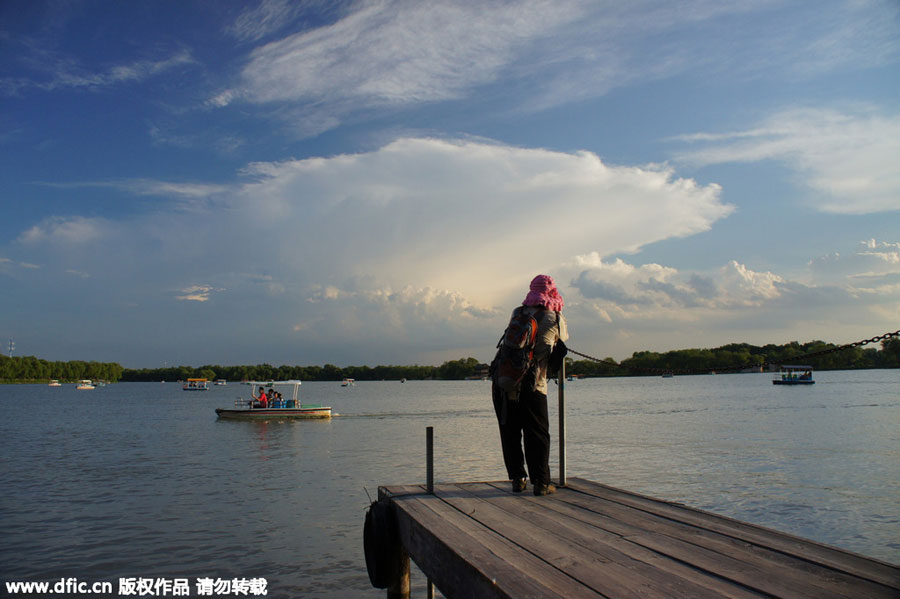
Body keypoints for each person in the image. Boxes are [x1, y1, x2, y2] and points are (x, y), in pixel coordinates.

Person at [492, 274, 568, 496]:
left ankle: (518, 479)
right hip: (533, 384)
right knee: (537, 433)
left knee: (510, 432)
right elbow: (547, 346)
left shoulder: (518, 312)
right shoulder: (553, 316)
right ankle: (542, 483)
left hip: (504, 380)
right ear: (552, 292)